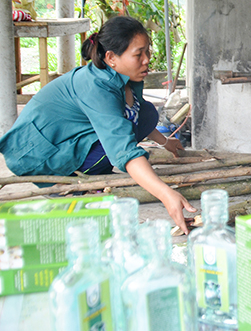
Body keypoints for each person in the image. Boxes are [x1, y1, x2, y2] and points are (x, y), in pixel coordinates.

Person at [0, 16, 196, 234]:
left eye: (147, 52)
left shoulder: (126, 78)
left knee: (146, 112)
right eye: (138, 54)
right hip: (38, 156)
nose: (146, 60)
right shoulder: (96, 86)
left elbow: (135, 118)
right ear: (111, 58)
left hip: (66, 139)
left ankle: (93, 172)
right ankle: (68, 184)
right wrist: (166, 194)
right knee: (118, 144)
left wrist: (165, 142)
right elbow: (122, 148)